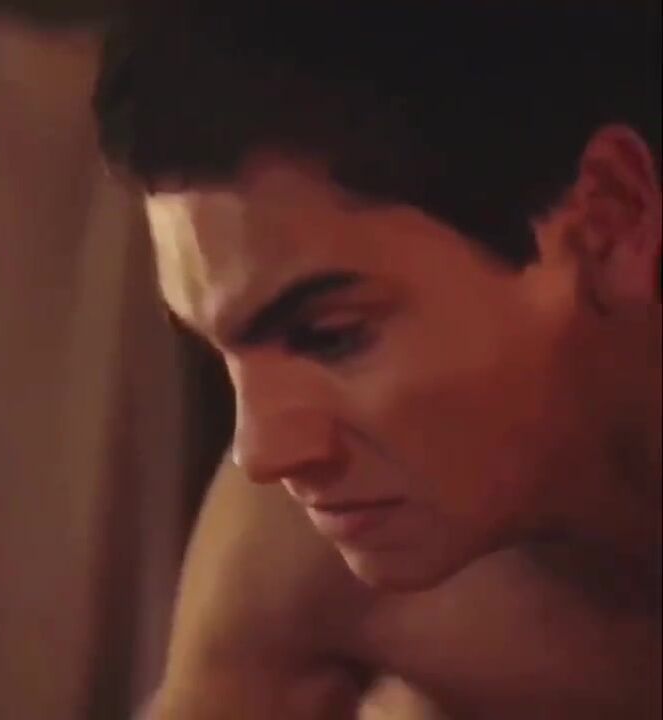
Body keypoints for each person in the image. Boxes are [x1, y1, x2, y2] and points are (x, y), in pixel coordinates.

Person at [95, 1, 661, 717]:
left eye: (332, 335)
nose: (264, 455)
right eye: (222, 354)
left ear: (607, 220)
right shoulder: (302, 547)